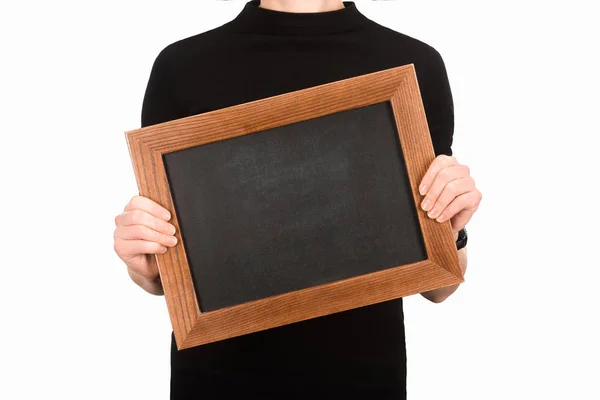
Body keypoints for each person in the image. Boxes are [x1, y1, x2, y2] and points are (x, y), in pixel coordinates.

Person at [113, 1, 482, 398]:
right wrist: (145, 264)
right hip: (219, 382)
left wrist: (454, 229)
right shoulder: (182, 68)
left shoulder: (412, 64)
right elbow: (166, 278)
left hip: (361, 379)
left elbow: (438, 287)